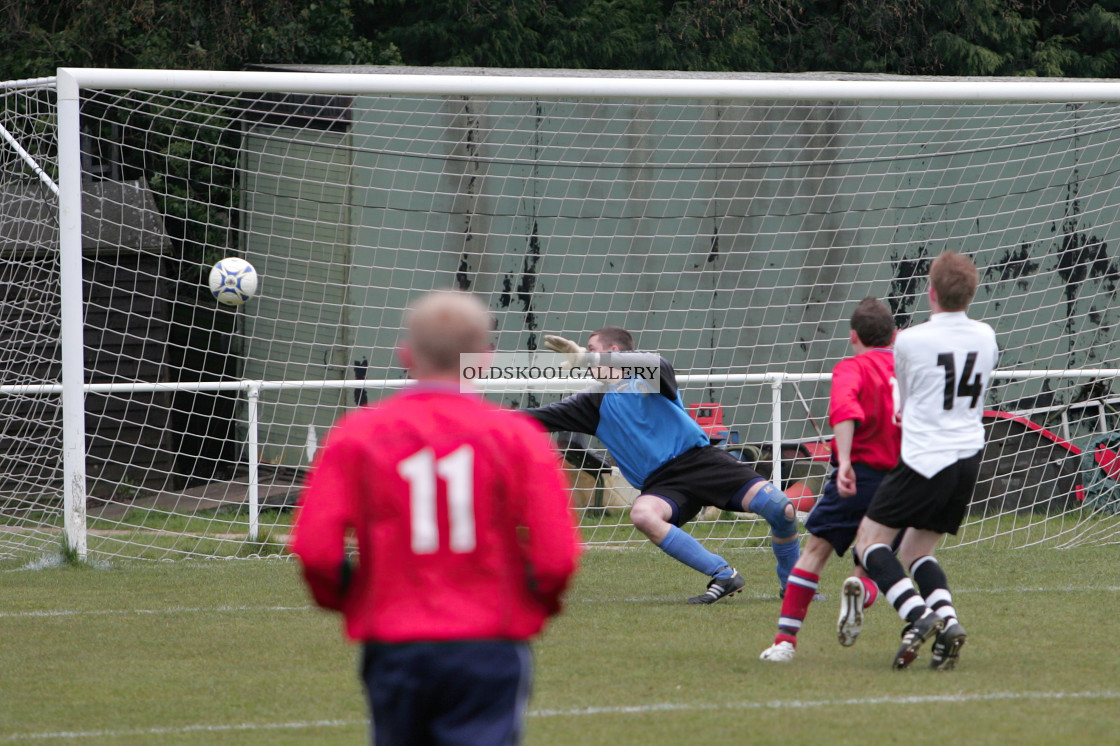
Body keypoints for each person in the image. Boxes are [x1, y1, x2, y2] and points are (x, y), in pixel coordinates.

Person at [290, 290, 581, 745]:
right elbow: (557, 558)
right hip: (489, 639)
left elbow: (315, 550)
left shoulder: (357, 433)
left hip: (394, 640)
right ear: (483, 359)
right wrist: (533, 604)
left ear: (405, 355)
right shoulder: (519, 437)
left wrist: (350, 600)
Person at [526, 327, 801, 603]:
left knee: (782, 509)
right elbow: (531, 419)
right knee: (642, 514)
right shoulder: (591, 402)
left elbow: (655, 364)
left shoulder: (647, 374)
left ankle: (793, 588)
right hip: (662, 484)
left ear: (614, 353)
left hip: (701, 461)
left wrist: (589, 358)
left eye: (592, 349)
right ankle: (723, 573)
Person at [850, 250, 998, 670]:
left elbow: (904, 402)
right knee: (917, 550)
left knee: (870, 545)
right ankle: (948, 623)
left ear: (930, 292)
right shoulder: (986, 336)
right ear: (970, 294)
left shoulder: (911, 340)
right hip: (967, 457)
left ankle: (920, 616)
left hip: (925, 458)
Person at [760, 297, 900, 662]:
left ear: (853, 336)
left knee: (814, 554)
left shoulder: (851, 368)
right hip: (900, 480)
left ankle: (785, 641)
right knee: (874, 555)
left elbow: (843, 411)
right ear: (895, 335)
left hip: (858, 476)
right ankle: (862, 592)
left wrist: (848, 461)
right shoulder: (909, 368)